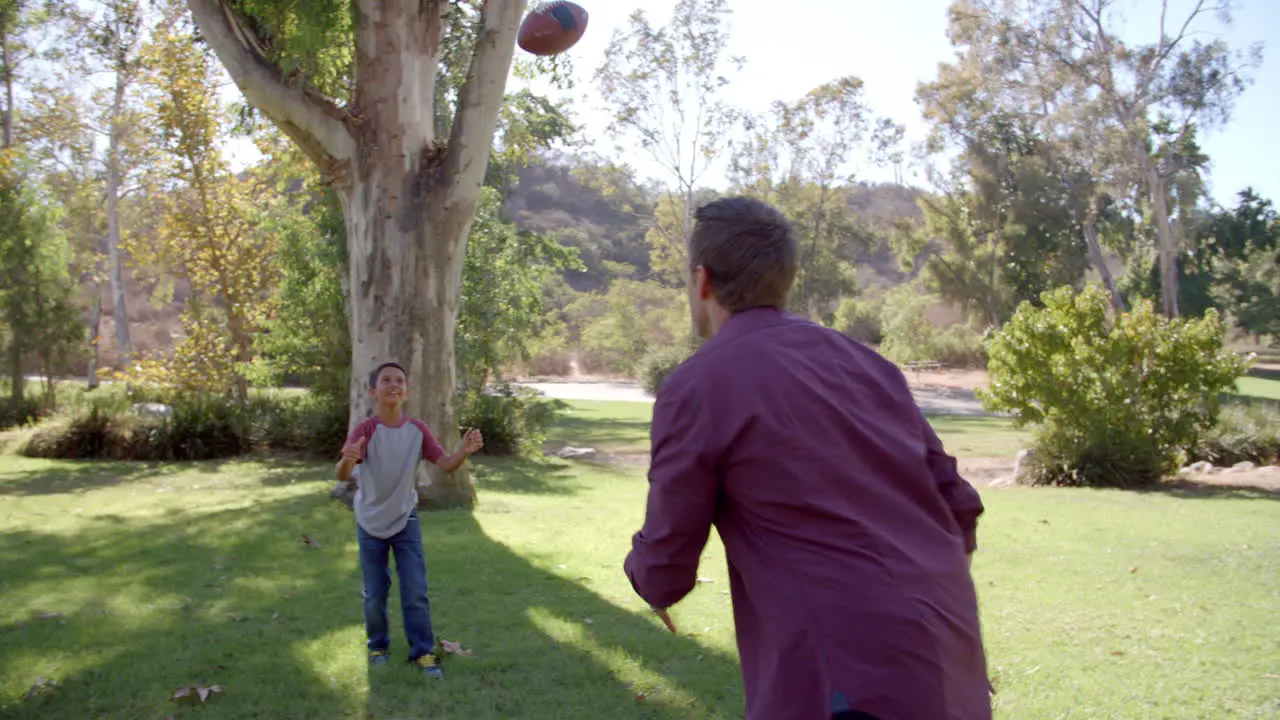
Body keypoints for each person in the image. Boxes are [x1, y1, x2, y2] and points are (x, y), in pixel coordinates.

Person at [623, 197, 991, 720]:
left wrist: (645, 575)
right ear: (786, 278)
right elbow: (960, 508)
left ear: (701, 281)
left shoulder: (700, 384)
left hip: (841, 678)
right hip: (949, 663)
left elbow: (666, 564)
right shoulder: (868, 365)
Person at [336, 361, 484, 678]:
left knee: (415, 590)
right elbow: (343, 473)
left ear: (407, 391)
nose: (394, 385)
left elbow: (445, 464)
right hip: (369, 521)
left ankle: (422, 653)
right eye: (386, 380)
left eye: (399, 381)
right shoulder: (366, 430)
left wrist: (464, 450)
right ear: (373, 391)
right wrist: (347, 460)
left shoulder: (416, 430)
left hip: (406, 519)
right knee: (375, 592)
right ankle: (378, 646)